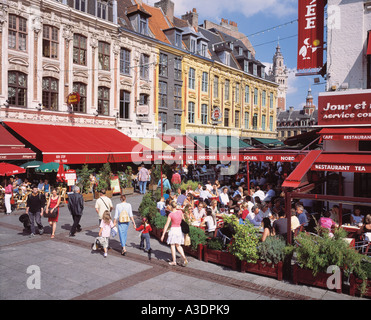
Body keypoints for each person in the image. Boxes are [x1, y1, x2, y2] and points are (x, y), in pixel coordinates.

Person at [161, 201, 188, 267]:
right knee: (178, 245)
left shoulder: (171, 214)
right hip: (179, 230)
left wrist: (163, 234)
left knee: (172, 245)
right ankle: (184, 258)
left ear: (171, 206)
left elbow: (166, 225)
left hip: (173, 230)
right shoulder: (180, 212)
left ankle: (174, 261)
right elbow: (183, 221)